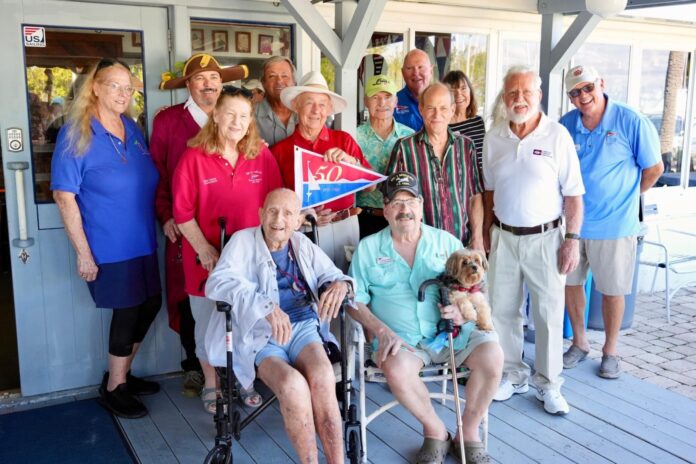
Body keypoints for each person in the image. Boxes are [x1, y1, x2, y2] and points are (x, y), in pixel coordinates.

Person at [348, 172, 502, 464]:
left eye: (409, 201)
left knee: (493, 356)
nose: (403, 209)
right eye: (395, 202)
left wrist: (462, 310)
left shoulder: (445, 242)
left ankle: (467, 431)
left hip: (455, 334)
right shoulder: (368, 248)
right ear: (385, 209)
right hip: (402, 340)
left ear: (420, 204)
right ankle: (435, 431)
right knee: (395, 369)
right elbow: (354, 301)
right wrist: (379, 329)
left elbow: (473, 283)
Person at [206, 188, 352, 464]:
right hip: (261, 336)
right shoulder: (242, 242)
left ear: (298, 220)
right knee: (293, 385)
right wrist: (265, 306)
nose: (278, 219)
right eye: (272, 211)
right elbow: (217, 283)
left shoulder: (301, 243)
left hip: (304, 327)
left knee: (322, 376)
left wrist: (340, 285)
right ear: (261, 214)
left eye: (288, 213)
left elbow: (332, 274)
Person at [51, 58, 162, 419]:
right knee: (128, 311)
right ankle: (115, 387)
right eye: (114, 85)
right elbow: (64, 196)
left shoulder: (130, 127)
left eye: (128, 87)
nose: (123, 93)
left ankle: (122, 374)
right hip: (108, 244)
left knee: (149, 305)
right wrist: (83, 253)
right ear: (95, 87)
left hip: (143, 239)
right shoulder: (76, 133)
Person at [482, 65, 585, 415]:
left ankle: (549, 384)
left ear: (538, 96)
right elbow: (488, 191)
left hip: (546, 239)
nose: (519, 99)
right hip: (505, 238)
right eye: (512, 93)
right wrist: (485, 233)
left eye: (526, 92)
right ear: (504, 96)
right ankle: (512, 374)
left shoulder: (557, 135)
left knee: (548, 314)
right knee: (503, 311)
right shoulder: (494, 136)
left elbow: (573, 195)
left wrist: (572, 239)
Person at [172, 86, 282, 413]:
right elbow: (182, 214)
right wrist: (204, 249)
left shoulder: (260, 154)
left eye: (244, 116)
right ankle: (211, 381)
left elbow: (275, 201)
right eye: (230, 114)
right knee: (208, 326)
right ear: (216, 115)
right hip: (206, 259)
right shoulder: (193, 158)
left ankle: (243, 378)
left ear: (251, 121)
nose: (237, 121)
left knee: (248, 321)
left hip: (250, 259)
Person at [151, 53, 248, 399]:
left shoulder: (236, 119)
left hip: (233, 228)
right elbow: (158, 174)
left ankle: (236, 370)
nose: (208, 85)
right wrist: (166, 215)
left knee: (236, 298)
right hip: (185, 225)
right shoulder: (167, 121)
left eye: (214, 78)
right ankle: (195, 366)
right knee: (189, 296)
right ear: (188, 86)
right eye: (200, 79)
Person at [560, 65, 664, 379]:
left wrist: (629, 197)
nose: (583, 96)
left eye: (588, 87)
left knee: (613, 289)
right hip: (573, 227)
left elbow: (654, 168)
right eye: (575, 92)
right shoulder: (565, 125)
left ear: (601, 84)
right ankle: (579, 342)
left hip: (616, 226)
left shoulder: (631, 121)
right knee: (571, 284)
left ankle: (611, 350)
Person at [271, 71, 371, 272]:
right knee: (309, 289)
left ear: (329, 110)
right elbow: (274, 201)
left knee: (347, 285)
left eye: (322, 104)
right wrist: (301, 215)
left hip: (346, 225)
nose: (316, 110)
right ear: (297, 106)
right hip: (302, 228)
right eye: (309, 102)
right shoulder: (280, 150)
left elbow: (371, 187)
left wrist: (352, 163)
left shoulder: (344, 141)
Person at [387, 82, 484, 251]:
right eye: (431, 108)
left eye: (443, 108)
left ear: (452, 110)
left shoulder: (466, 146)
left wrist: (477, 239)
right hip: (419, 248)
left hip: (460, 245)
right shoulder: (404, 147)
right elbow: (391, 200)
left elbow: (475, 197)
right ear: (421, 109)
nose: (437, 115)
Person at [356, 75, 414, 238]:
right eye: (375, 97)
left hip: (401, 218)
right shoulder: (353, 137)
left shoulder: (409, 137)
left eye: (387, 97)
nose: (382, 103)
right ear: (366, 101)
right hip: (364, 218)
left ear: (396, 101)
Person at [442, 70, 486, 175]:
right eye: (452, 90)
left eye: (463, 88)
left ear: (470, 91)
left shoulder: (478, 122)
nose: (458, 94)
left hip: (481, 185)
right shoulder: (442, 125)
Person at [255, 56, 298, 146]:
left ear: (294, 82)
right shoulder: (250, 116)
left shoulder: (306, 114)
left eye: (284, 76)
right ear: (263, 83)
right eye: (272, 76)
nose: (279, 81)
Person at [394, 49, 434, 131]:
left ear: (431, 70)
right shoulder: (392, 102)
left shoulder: (444, 101)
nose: (416, 73)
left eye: (421, 67)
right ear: (402, 72)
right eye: (409, 68)